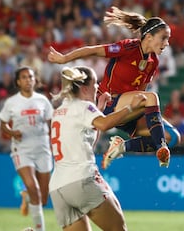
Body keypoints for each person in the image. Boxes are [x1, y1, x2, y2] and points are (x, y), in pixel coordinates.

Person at [48, 6, 180, 169]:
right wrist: (64, 58)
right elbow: (94, 50)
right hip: (110, 103)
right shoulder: (128, 47)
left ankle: (121, 147)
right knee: (152, 100)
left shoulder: (153, 62)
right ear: (149, 37)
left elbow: (141, 92)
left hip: (129, 109)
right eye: (163, 38)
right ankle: (161, 148)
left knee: (173, 137)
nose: (167, 43)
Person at [49, 66, 146, 231]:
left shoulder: (59, 111)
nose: (98, 86)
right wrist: (130, 108)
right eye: (95, 83)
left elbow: (88, 140)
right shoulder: (83, 107)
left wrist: (99, 109)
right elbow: (105, 124)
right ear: (85, 88)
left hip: (59, 188)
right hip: (82, 180)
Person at [0, 67, 54, 231]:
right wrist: (12, 132)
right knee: (33, 186)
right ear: (18, 82)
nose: (28, 80)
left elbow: (52, 122)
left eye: (30, 77)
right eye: (24, 77)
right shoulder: (12, 102)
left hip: (43, 148)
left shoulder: (43, 101)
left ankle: (27, 196)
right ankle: (38, 230)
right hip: (22, 149)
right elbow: (3, 123)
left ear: (35, 80)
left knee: (43, 199)